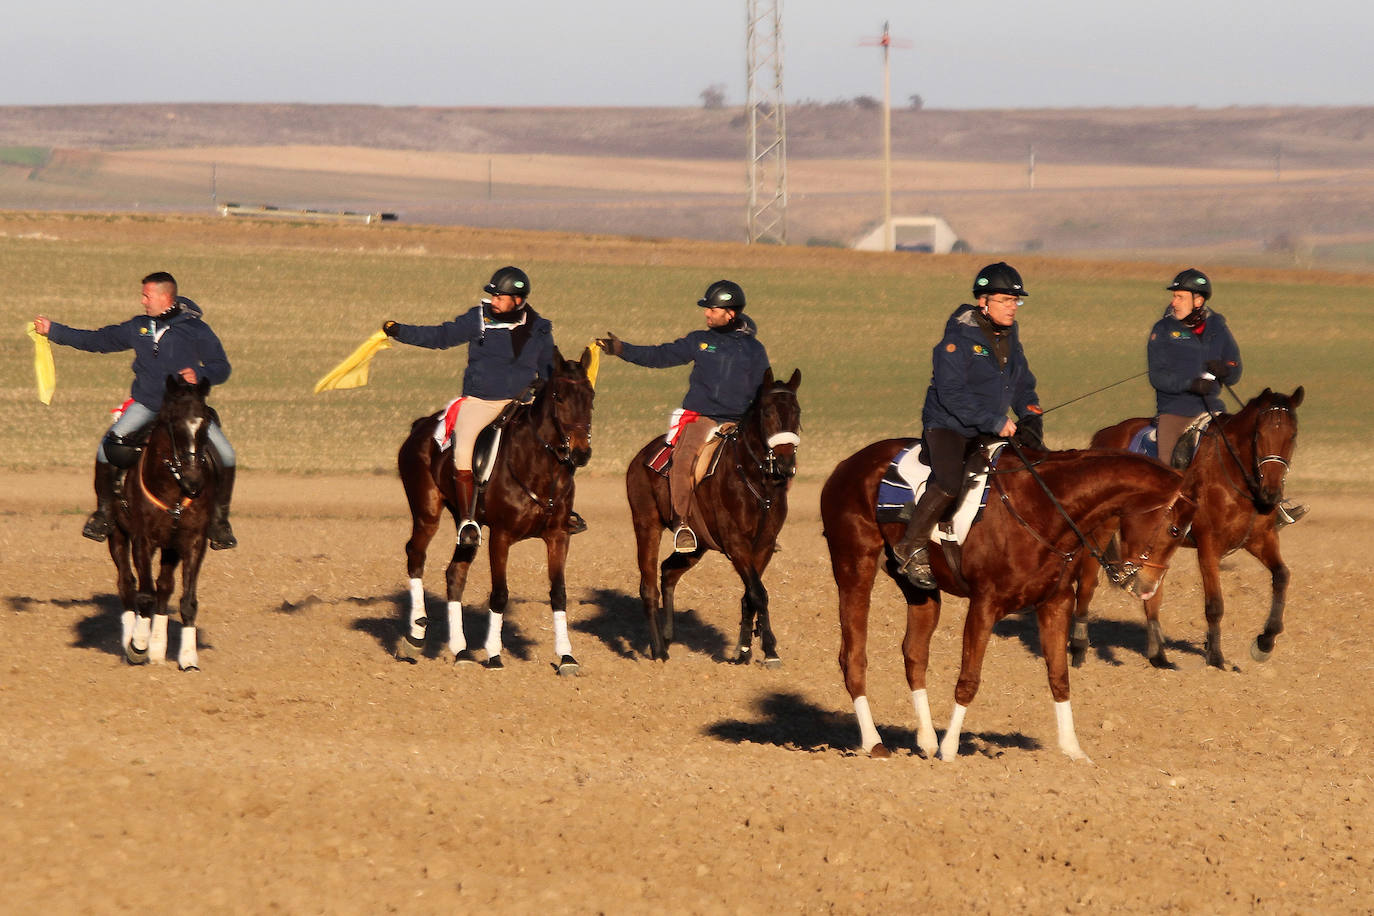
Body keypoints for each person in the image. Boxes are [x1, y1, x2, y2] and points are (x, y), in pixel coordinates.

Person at [33, 271, 238, 548]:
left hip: (184, 410)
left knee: (226, 454)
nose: (142, 301)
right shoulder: (139, 327)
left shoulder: (197, 330)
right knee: (106, 448)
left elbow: (221, 367)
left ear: (165, 297)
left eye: (146, 296)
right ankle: (104, 514)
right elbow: (98, 340)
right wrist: (53, 330)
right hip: (147, 405)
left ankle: (219, 522)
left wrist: (200, 374)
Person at [383, 266, 574, 546]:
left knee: (562, 444)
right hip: (481, 402)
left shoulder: (539, 328)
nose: (493, 301)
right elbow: (440, 337)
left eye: (500, 297)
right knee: (462, 449)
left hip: (522, 404)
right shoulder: (478, 319)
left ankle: (562, 511)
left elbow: (548, 369)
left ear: (518, 301)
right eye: (493, 296)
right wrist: (400, 332)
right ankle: (468, 521)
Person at [892, 262, 1044, 588]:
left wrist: (1031, 414)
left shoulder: (1009, 336)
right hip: (948, 426)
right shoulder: (956, 340)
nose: (1012, 308)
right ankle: (910, 545)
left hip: (990, 426)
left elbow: (1021, 383)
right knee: (949, 483)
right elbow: (952, 394)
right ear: (983, 302)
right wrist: (994, 421)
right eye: (1004, 300)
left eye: (1015, 301)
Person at [597, 279, 771, 552]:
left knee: (774, 463)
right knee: (684, 457)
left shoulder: (753, 349)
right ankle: (682, 524)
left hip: (740, 420)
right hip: (703, 417)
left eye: (712, 309)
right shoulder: (699, 341)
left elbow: (763, 387)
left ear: (731, 313)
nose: (706, 313)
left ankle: (767, 524)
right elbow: (660, 355)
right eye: (707, 309)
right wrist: (622, 350)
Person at [1147, 267, 1306, 526]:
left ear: (1198, 301)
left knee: (1248, 449)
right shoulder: (1163, 330)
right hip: (1175, 411)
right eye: (1174, 296)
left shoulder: (1218, 327)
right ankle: (1162, 520)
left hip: (1213, 409)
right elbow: (1158, 377)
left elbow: (1235, 369)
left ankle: (1270, 509)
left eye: (1179, 297)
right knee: (1169, 469)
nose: (1173, 301)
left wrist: (1226, 369)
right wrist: (1190, 384)